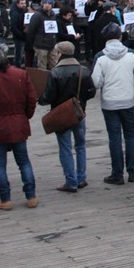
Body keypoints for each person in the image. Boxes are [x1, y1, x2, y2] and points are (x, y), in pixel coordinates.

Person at [0, 47, 38, 211]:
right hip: (18, 124)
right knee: (24, 161)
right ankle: (31, 196)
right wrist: (25, 116)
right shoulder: (21, 74)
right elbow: (32, 99)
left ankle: (5, 199)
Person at [92, 22, 134, 185]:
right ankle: (133, 171)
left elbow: (96, 82)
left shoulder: (100, 57)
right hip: (128, 100)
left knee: (114, 137)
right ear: (120, 36)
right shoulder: (131, 54)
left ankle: (117, 174)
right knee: (131, 136)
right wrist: (132, 83)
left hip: (109, 102)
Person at [39, 42, 96, 192]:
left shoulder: (55, 73)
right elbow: (92, 92)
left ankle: (71, 181)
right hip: (79, 112)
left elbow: (48, 97)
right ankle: (81, 178)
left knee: (65, 147)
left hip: (61, 115)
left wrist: (40, 99)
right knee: (80, 145)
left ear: (60, 54)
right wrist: (81, 101)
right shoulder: (83, 70)